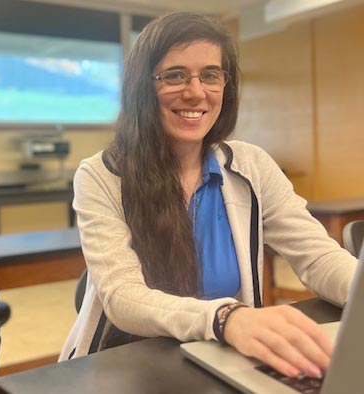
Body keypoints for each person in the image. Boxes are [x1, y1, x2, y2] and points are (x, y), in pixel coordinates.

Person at [60, 12, 356, 380]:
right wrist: (226, 318)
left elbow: (318, 257)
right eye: (175, 75)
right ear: (142, 86)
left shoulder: (252, 165)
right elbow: (122, 296)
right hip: (129, 365)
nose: (196, 91)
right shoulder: (101, 175)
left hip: (227, 359)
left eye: (210, 75)